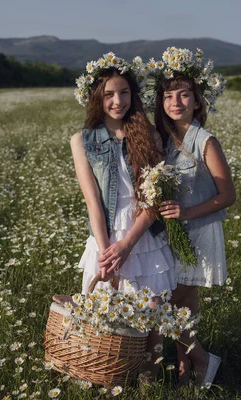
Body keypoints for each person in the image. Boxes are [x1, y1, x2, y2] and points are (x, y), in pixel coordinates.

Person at [70, 53, 177, 378]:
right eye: (109, 94)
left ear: (133, 94)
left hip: (142, 237)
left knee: (153, 314)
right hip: (106, 239)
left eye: (124, 92)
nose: (118, 101)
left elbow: (153, 199)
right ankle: (114, 377)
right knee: (110, 321)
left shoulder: (149, 135)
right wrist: (107, 254)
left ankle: (151, 379)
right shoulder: (82, 141)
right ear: (97, 98)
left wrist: (128, 244)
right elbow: (92, 202)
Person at [150, 48, 236, 386]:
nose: (176, 101)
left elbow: (228, 195)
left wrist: (186, 212)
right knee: (185, 310)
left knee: (165, 305)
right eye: (169, 96)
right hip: (178, 237)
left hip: (199, 235)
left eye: (184, 94)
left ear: (197, 101)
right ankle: (187, 373)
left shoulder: (205, 141)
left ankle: (201, 358)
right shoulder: (170, 141)